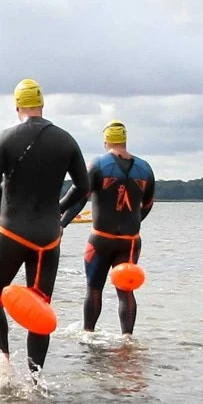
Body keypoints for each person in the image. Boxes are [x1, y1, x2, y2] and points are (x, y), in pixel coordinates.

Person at [0, 79, 88, 376]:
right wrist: (58, 209)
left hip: (11, 232)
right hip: (48, 238)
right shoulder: (66, 140)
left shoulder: (6, 139)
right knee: (40, 307)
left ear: (17, 107)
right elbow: (83, 187)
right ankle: (35, 378)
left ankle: (1, 356)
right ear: (42, 105)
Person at [60, 120, 155, 336]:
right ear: (124, 140)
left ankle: (88, 335)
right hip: (130, 242)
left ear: (106, 142)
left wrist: (61, 222)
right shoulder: (145, 169)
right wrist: (134, 223)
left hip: (100, 240)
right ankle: (127, 339)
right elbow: (147, 205)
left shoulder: (97, 165)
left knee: (94, 288)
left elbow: (79, 199)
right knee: (126, 291)